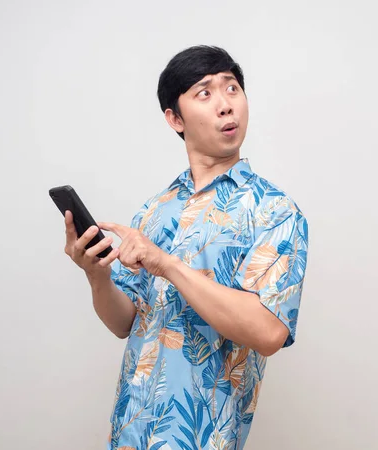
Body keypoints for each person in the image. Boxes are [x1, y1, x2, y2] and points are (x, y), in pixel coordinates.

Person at [63, 45, 309, 450]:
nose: (226, 105)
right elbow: (125, 322)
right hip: (130, 430)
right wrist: (97, 274)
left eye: (232, 88)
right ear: (174, 119)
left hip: (201, 439)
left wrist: (168, 265)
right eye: (205, 93)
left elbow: (268, 331)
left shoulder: (274, 211)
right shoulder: (155, 210)